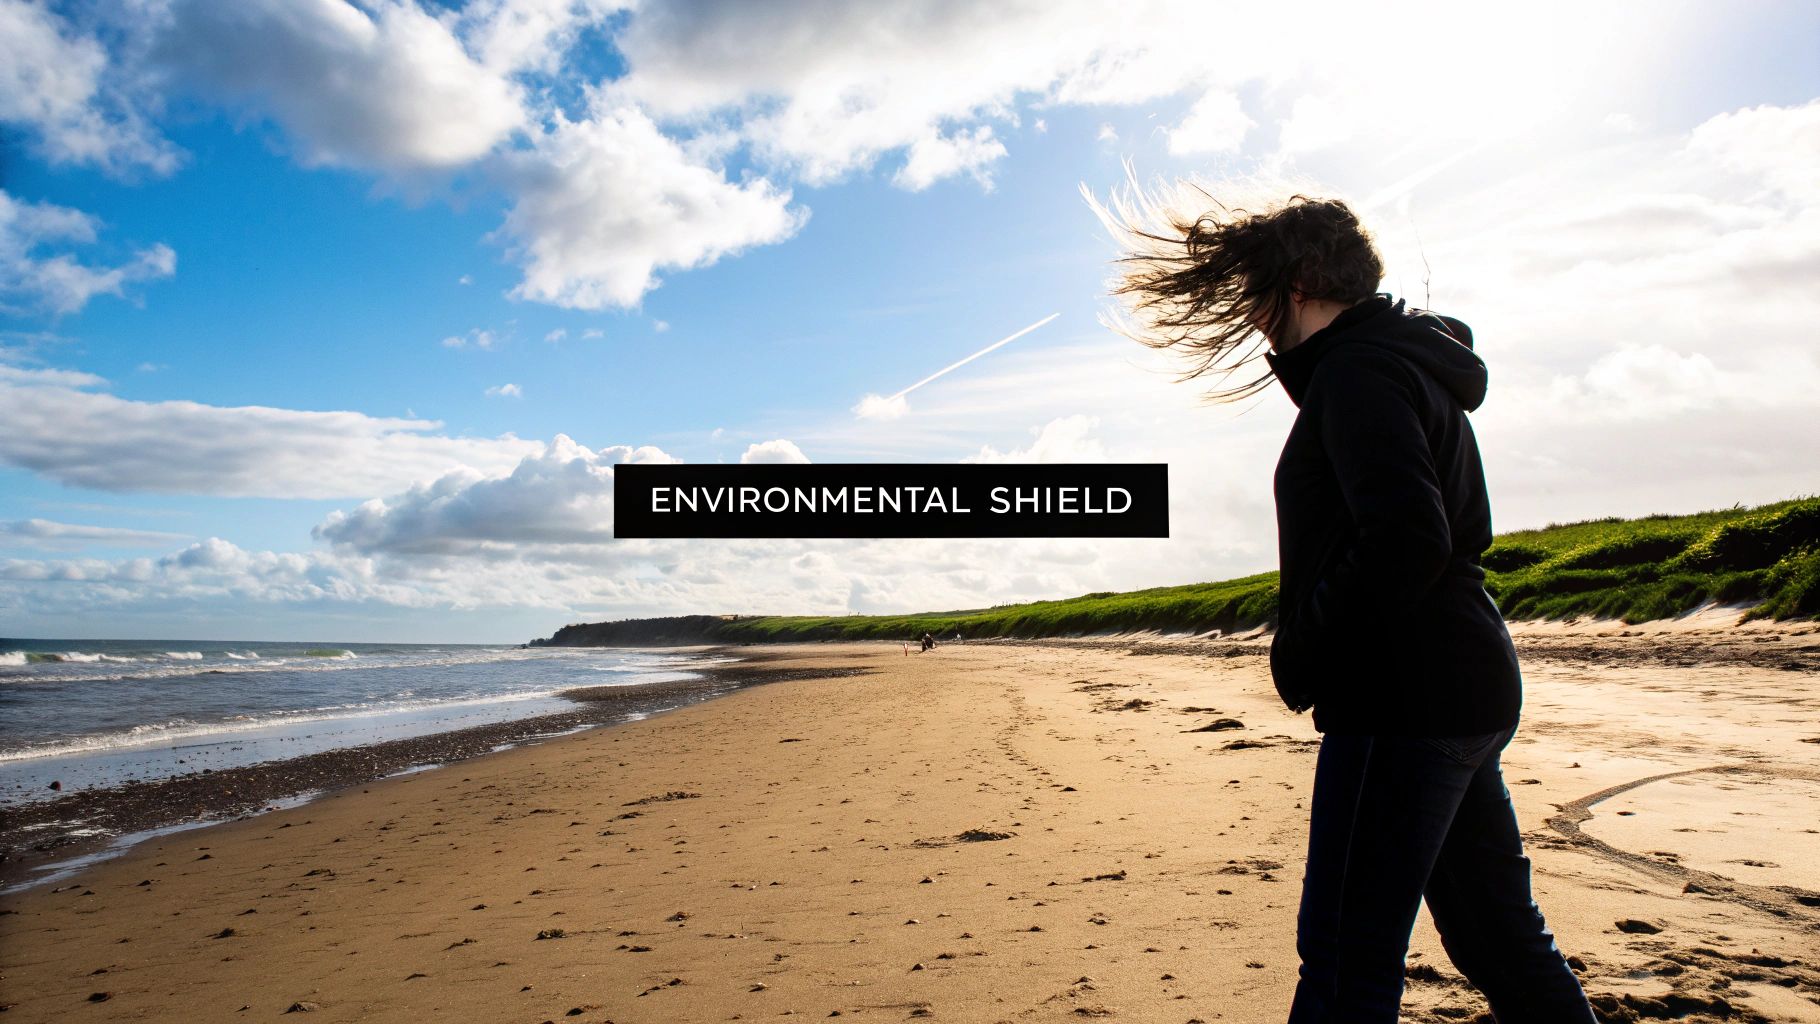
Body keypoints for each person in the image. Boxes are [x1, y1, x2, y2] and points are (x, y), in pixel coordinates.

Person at [1092, 181, 1597, 1023]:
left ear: (1295, 288)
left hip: (1402, 695)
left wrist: (1304, 645)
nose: (1247, 313)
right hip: (1463, 682)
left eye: (1254, 291)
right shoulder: (1398, 361)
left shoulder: (1358, 372)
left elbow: (1408, 539)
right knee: (1496, 938)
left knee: (1343, 960)